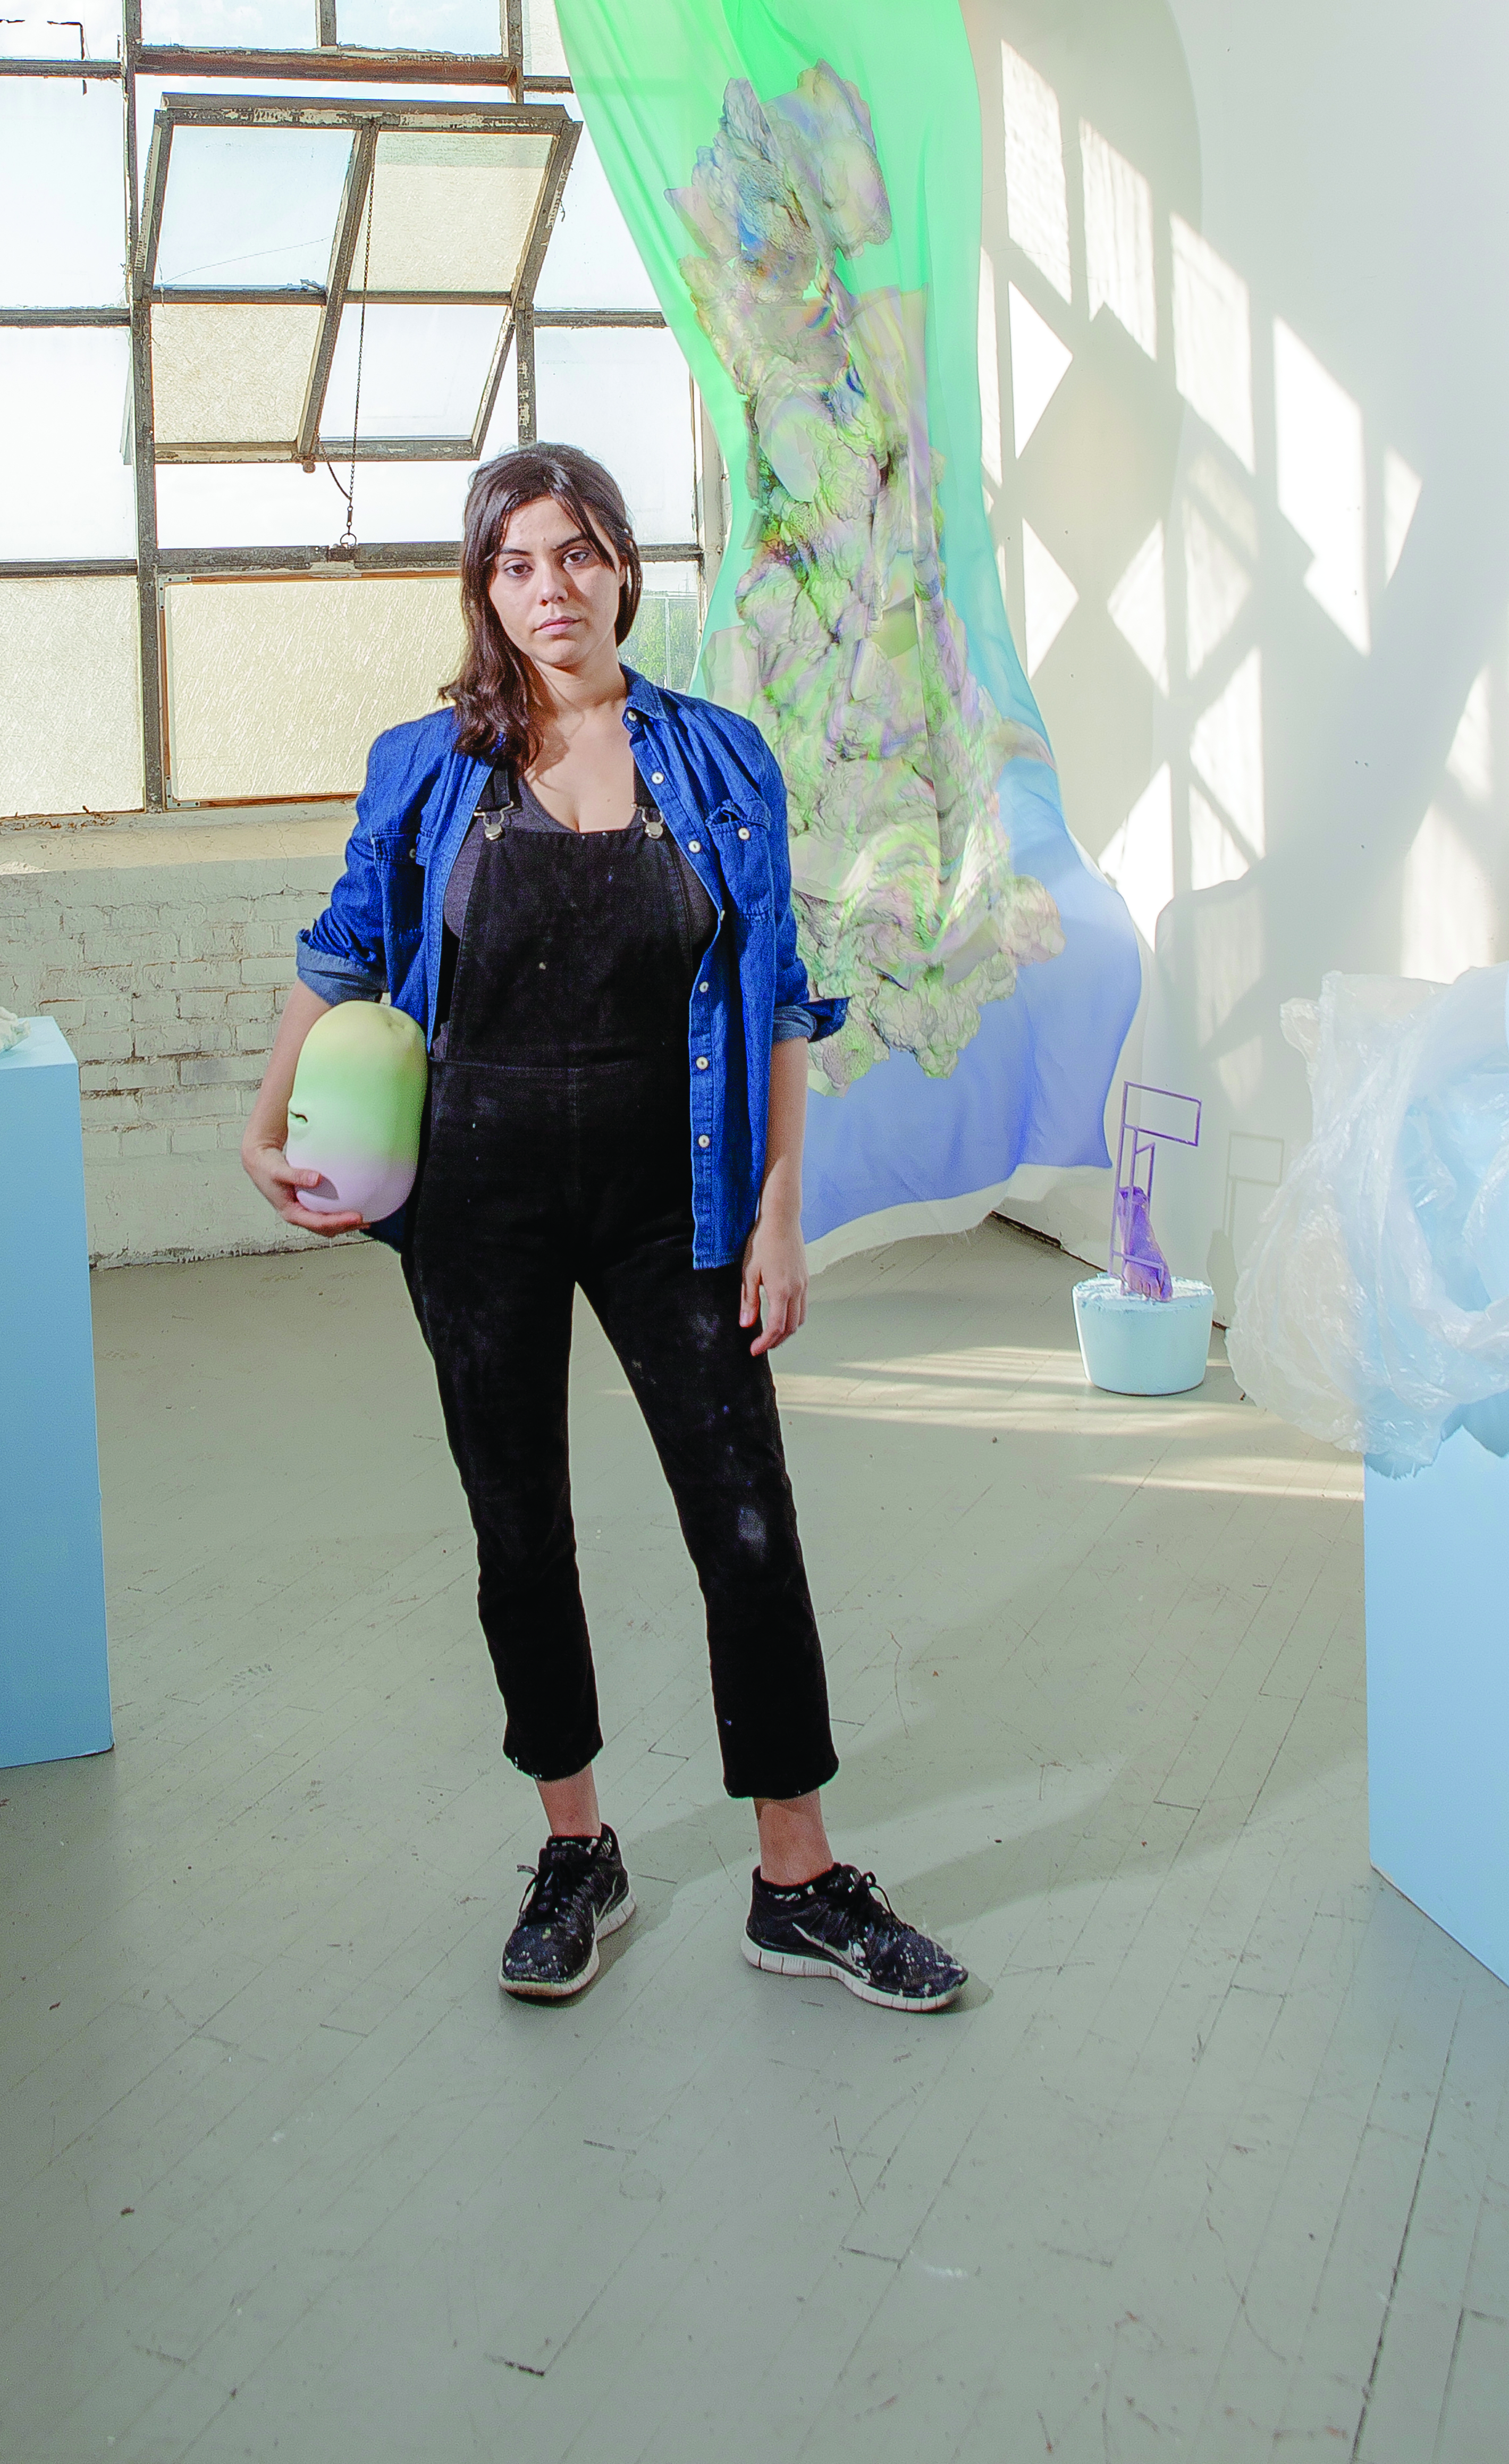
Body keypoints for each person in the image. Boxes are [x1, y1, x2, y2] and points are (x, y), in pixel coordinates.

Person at [241, 442, 967, 2014]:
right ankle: (577, 1846)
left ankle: (799, 1873)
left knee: (747, 1526)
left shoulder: (720, 761)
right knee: (520, 1528)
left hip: (676, 1199)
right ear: (483, 590)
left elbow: (773, 1000)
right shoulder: (427, 763)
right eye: (515, 564)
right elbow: (349, 941)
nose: (548, 589)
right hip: (479, 1197)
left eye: (574, 555)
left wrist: (778, 1214)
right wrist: (267, 1110)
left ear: (624, 566)